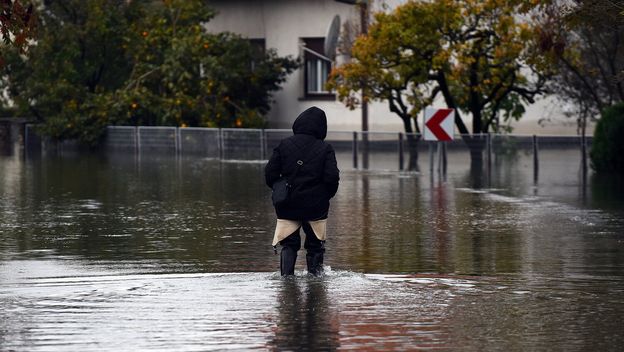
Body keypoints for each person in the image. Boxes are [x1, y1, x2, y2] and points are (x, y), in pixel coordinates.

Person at [265, 106, 340, 276]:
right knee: (315, 245)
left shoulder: (284, 145)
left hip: (287, 204)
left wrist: (279, 189)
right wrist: (325, 196)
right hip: (315, 206)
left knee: (289, 244)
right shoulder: (325, 148)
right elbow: (331, 178)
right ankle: (315, 280)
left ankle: (286, 280)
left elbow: (270, 174)